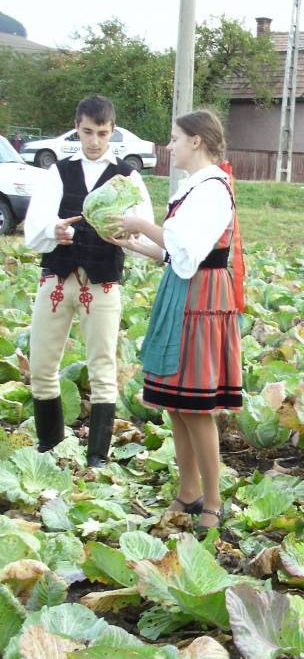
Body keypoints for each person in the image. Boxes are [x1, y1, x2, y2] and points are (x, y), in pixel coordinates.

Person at [113, 111, 245, 531]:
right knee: (176, 404)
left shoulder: (212, 190)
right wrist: (135, 242)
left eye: (175, 138)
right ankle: (188, 490)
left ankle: (212, 500)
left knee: (196, 406)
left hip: (203, 299)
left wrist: (141, 223)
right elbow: (176, 254)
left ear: (196, 142)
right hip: (183, 292)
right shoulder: (194, 189)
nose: (169, 146)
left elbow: (187, 246)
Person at [23, 95, 154, 466]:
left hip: (103, 281)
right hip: (57, 279)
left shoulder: (129, 177)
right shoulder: (58, 172)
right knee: (43, 365)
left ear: (112, 132)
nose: (94, 141)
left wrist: (125, 237)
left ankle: (97, 457)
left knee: (102, 367)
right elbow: (35, 228)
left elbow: (141, 231)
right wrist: (55, 229)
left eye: (101, 133)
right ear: (76, 129)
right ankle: (49, 446)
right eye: (86, 132)